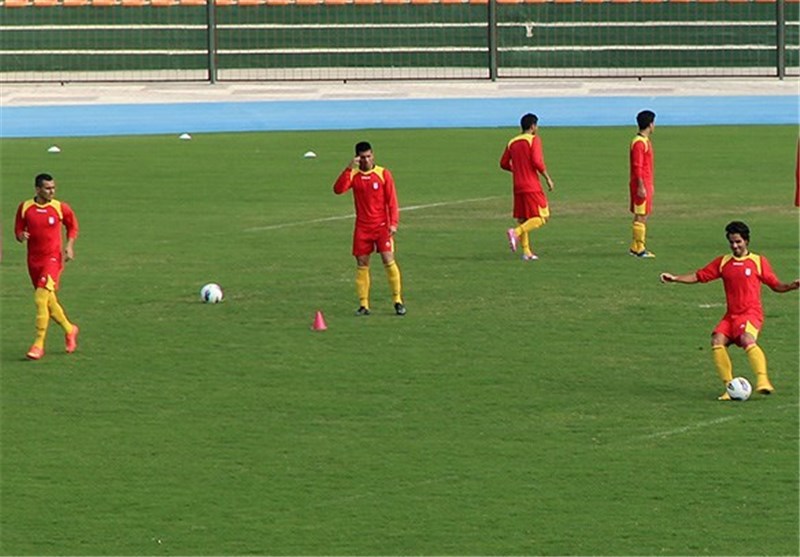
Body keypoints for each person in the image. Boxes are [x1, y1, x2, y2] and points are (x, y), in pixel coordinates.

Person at [659, 221, 799, 400]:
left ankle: (763, 381)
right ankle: (729, 387)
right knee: (717, 340)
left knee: (747, 339)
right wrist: (675, 278)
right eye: (732, 242)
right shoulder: (723, 262)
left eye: (738, 242)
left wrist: (791, 286)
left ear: (747, 241)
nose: (735, 246)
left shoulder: (758, 261)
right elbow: (699, 276)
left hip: (751, 314)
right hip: (731, 316)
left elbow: (776, 285)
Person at [333, 141, 406, 316]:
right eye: (363, 157)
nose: (366, 160)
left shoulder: (383, 174)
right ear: (357, 158)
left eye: (369, 156)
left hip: (382, 227)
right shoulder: (354, 175)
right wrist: (349, 168)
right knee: (362, 265)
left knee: (389, 261)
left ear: (373, 155)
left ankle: (398, 301)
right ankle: (363, 305)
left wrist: (393, 223)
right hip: (362, 228)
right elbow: (338, 189)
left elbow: (392, 201)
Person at [14, 173, 80, 360]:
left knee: (40, 298)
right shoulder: (25, 207)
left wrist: (69, 246)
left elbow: (72, 226)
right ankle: (70, 329)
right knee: (48, 301)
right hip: (33, 261)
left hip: (52, 259)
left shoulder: (60, 208)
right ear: (37, 189)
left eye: (53, 188)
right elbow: (18, 229)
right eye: (47, 188)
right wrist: (21, 236)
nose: (52, 191)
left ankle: (38, 343)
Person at [501, 113, 555, 261]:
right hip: (531, 185)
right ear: (533, 126)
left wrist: (517, 170)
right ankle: (515, 232)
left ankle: (527, 252)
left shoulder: (512, 142)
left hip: (517, 185)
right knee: (542, 217)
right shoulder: (533, 140)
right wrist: (548, 178)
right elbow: (537, 161)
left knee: (524, 218)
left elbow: (503, 163)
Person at [629, 109, 657, 258]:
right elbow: (637, 166)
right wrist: (641, 186)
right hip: (641, 184)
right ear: (650, 124)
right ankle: (639, 248)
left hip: (645, 183)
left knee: (642, 214)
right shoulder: (639, 143)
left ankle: (635, 246)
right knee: (641, 215)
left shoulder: (643, 141)